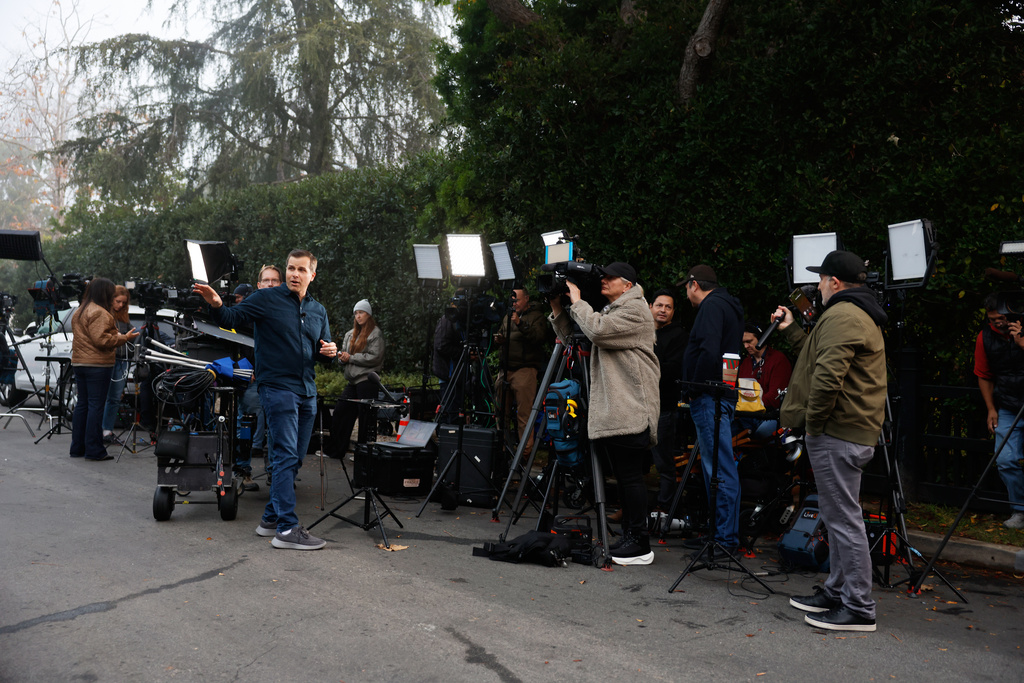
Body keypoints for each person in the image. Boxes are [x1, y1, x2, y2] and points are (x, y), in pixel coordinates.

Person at [194, 250, 337, 551]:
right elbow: (230, 317)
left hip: (307, 392)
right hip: (277, 389)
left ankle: (270, 518)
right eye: (290, 268)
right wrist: (216, 303)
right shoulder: (267, 299)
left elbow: (323, 352)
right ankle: (286, 528)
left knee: (295, 459)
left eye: (301, 270)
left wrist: (330, 353)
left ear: (313, 275)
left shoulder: (317, 311)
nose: (294, 274)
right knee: (284, 455)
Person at [776, 250, 886, 633]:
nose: (817, 287)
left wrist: (812, 427)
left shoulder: (842, 315)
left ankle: (858, 606)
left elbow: (826, 379)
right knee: (839, 516)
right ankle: (838, 592)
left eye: (820, 280)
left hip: (837, 432)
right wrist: (792, 329)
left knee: (843, 520)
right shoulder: (850, 315)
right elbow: (815, 356)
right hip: (843, 431)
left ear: (834, 283)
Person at [549, 262, 660, 566]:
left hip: (631, 407)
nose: (604, 281)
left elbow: (596, 331)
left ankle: (639, 543)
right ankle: (631, 537)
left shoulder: (635, 310)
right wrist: (559, 307)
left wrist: (578, 301)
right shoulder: (614, 310)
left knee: (631, 478)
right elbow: (576, 338)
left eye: (611, 278)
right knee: (625, 479)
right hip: (619, 408)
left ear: (627, 285)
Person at [680, 265, 744, 557]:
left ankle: (724, 540)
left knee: (718, 468)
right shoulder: (730, 305)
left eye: (686, 286)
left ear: (694, 284)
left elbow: (708, 349)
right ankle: (718, 534)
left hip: (709, 396)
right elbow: (728, 356)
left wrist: (694, 388)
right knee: (716, 467)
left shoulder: (711, 306)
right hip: (720, 393)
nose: (687, 292)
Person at [70, 278, 139, 461]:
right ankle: (94, 450)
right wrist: (123, 338)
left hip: (80, 363)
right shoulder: (100, 312)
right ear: (104, 293)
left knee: (82, 405)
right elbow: (101, 340)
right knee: (95, 406)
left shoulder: (80, 310)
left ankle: (77, 447)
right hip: (97, 365)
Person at [974, 293, 1024, 529]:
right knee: (1005, 459)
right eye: (994, 319)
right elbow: (984, 375)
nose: (999, 323)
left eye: (1002, 318)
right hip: (1008, 406)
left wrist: (1022, 344)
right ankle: (1020, 509)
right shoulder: (984, 338)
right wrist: (991, 408)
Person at [235, 264, 282, 491]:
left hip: (276, 380)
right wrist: (247, 367)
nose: (270, 284)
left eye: (275, 280)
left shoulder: (286, 308)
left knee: (275, 429)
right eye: (267, 280)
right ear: (259, 285)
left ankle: (275, 475)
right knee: (246, 425)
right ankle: (243, 472)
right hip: (250, 377)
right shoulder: (248, 308)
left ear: (280, 284)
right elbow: (234, 341)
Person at [494, 288, 549, 455]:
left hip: (525, 370)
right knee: (500, 413)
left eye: (517, 300)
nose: (514, 303)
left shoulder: (537, 316)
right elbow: (503, 333)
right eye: (512, 300)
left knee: (524, 417)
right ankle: (501, 452)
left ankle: (524, 457)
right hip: (505, 370)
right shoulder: (508, 315)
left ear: (526, 298)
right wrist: (500, 338)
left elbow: (539, 338)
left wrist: (520, 323)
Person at [330, 299, 385, 458]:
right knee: (341, 412)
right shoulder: (349, 334)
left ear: (368, 314)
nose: (358, 316)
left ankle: (363, 454)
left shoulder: (375, 333)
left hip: (367, 381)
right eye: (356, 313)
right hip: (352, 381)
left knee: (366, 419)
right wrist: (341, 358)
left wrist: (351, 358)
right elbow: (344, 356)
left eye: (361, 312)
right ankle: (336, 450)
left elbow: (375, 357)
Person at [648, 288, 687, 513]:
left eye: (668, 307)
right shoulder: (640, 331)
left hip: (663, 406)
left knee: (663, 462)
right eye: (659, 305)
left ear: (673, 312)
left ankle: (665, 510)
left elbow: (672, 369)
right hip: (638, 406)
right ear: (650, 307)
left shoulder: (679, 335)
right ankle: (632, 507)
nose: (663, 310)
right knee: (635, 461)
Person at [734, 323, 792, 442]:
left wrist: (750, 406)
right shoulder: (745, 363)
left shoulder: (778, 360)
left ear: (762, 338)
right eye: (744, 342)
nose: (746, 346)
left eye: (749, 341)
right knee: (727, 430)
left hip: (771, 416)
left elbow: (775, 397)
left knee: (761, 434)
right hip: (747, 416)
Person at [101, 285, 133, 444]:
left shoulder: (124, 317)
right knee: (102, 396)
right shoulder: (105, 314)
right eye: (118, 301)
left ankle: (107, 430)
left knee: (114, 397)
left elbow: (130, 335)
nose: (120, 305)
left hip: (121, 360)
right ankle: (98, 429)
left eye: (123, 302)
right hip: (107, 359)